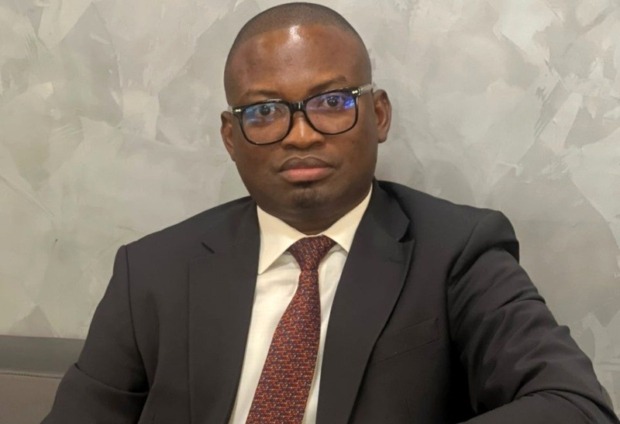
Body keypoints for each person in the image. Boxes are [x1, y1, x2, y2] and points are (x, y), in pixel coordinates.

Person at [44, 3, 619, 423]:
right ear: (230, 137)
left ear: (379, 115)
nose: (301, 135)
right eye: (264, 111)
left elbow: (574, 405)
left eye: (332, 102)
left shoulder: (457, 253)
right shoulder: (152, 271)